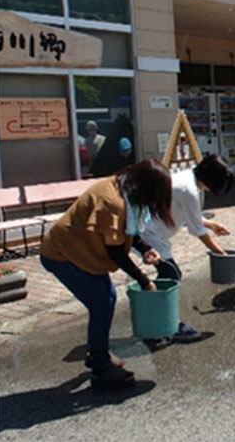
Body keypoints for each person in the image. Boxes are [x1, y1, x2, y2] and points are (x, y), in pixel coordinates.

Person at [40, 160, 174, 389]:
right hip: (63, 254)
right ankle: (101, 368)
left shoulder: (124, 189)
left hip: (83, 252)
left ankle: (97, 353)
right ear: (147, 188)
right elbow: (115, 251)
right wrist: (144, 281)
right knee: (102, 303)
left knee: (107, 298)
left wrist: (144, 249)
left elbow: (125, 232)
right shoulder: (112, 201)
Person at [140, 154, 235, 340]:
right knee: (171, 274)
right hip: (149, 234)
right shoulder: (189, 189)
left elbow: (189, 215)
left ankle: (158, 320)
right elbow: (197, 232)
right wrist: (220, 252)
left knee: (168, 274)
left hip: (153, 232)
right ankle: (168, 325)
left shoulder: (187, 179)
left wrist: (210, 224)